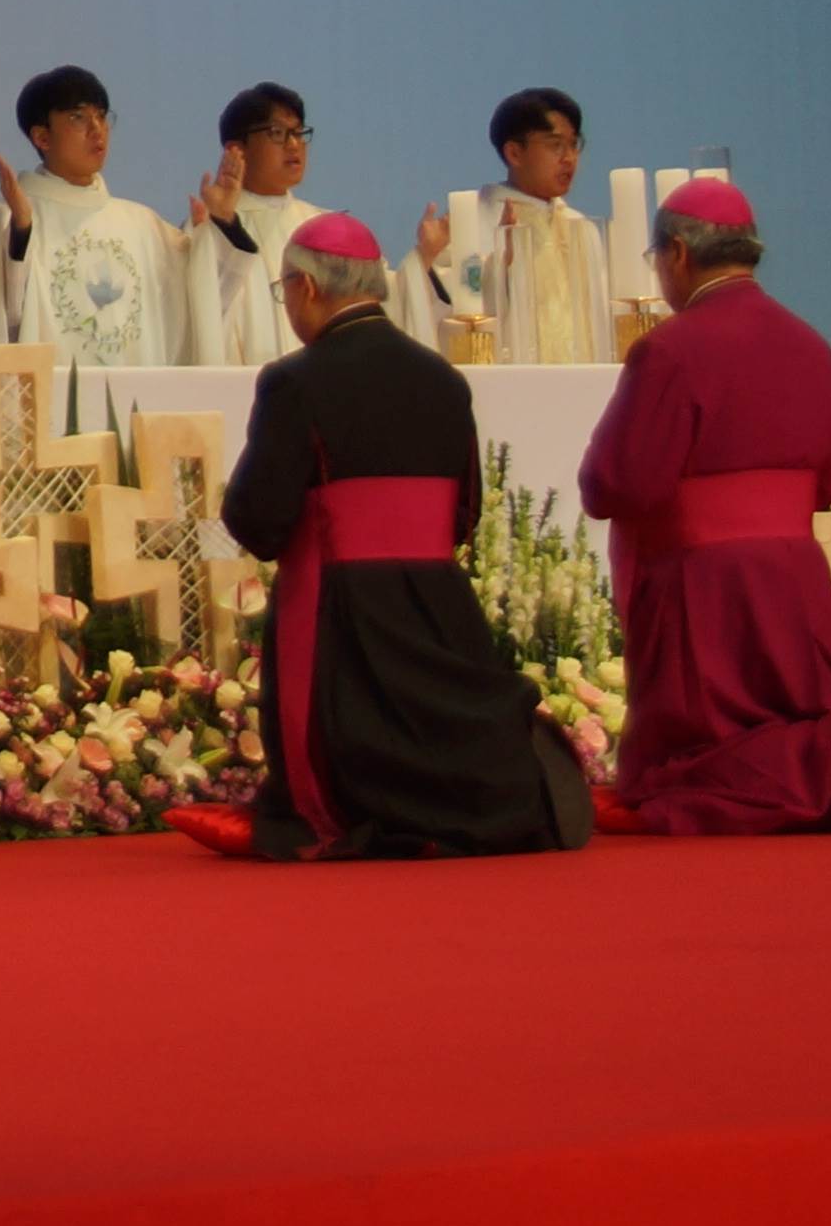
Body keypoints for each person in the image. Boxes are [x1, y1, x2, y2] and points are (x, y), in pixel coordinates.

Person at [570, 176, 831, 835]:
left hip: (705, 587)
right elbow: (825, 480)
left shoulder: (670, 348)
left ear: (678, 253)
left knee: (696, 762)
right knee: (789, 711)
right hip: (793, 575)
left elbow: (617, 484)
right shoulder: (810, 344)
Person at [202, 214, 589, 859]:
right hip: (438, 608)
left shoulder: (294, 381)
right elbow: (466, 512)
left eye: (284, 289)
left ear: (305, 287)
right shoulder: (443, 378)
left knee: (345, 757)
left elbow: (258, 520)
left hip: (338, 616)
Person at [0, 66, 185, 367]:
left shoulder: (143, 224)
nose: (97, 129)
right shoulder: (8, 218)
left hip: (132, 392)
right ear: (42, 137)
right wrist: (21, 232)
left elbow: (205, 292)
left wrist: (219, 227)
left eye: (101, 116)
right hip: (53, 393)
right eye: (78, 117)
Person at [409, 87, 614, 363]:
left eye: (574, 144)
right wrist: (499, 267)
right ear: (514, 153)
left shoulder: (581, 228)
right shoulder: (470, 223)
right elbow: (448, 314)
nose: (569, 158)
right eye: (555, 145)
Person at [181, 81, 363, 363]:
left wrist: (426, 263)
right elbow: (201, 318)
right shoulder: (211, 228)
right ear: (236, 150)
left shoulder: (323, 227)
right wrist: (223, 222)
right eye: (277, 133)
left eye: (299, 133)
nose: (294, 144)